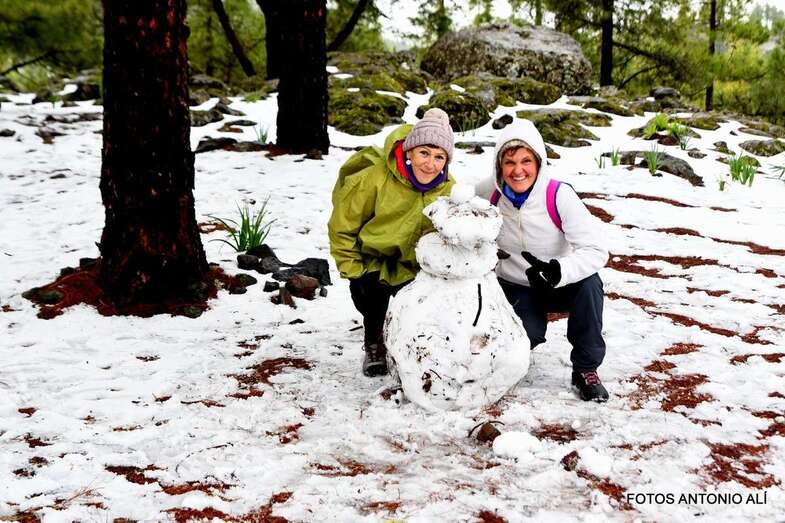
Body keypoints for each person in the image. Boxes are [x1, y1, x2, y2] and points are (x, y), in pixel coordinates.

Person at [475, 119, 610, 402]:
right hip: (516, 286)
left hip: (558, 282)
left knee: (590, 285)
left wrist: (560, 271)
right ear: (499, 166)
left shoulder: (558, 195)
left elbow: (596, 249)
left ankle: (586, 369)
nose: (518, 170)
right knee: (525, 339)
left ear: (539, 162)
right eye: (510, 162)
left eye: (526, 161)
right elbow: (458, 210)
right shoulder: (488, 194)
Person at [328, 108, 456, 377]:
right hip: (372, 259)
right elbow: (342, 226)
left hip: (415, 264)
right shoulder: (374, 179)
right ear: (409, 151)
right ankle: (374, 343)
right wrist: (353, 269)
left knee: (422, 308)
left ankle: (415, 348)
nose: (430, 164)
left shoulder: (447, 187)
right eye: (424, 153)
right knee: (373, 300)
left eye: (439, 157)